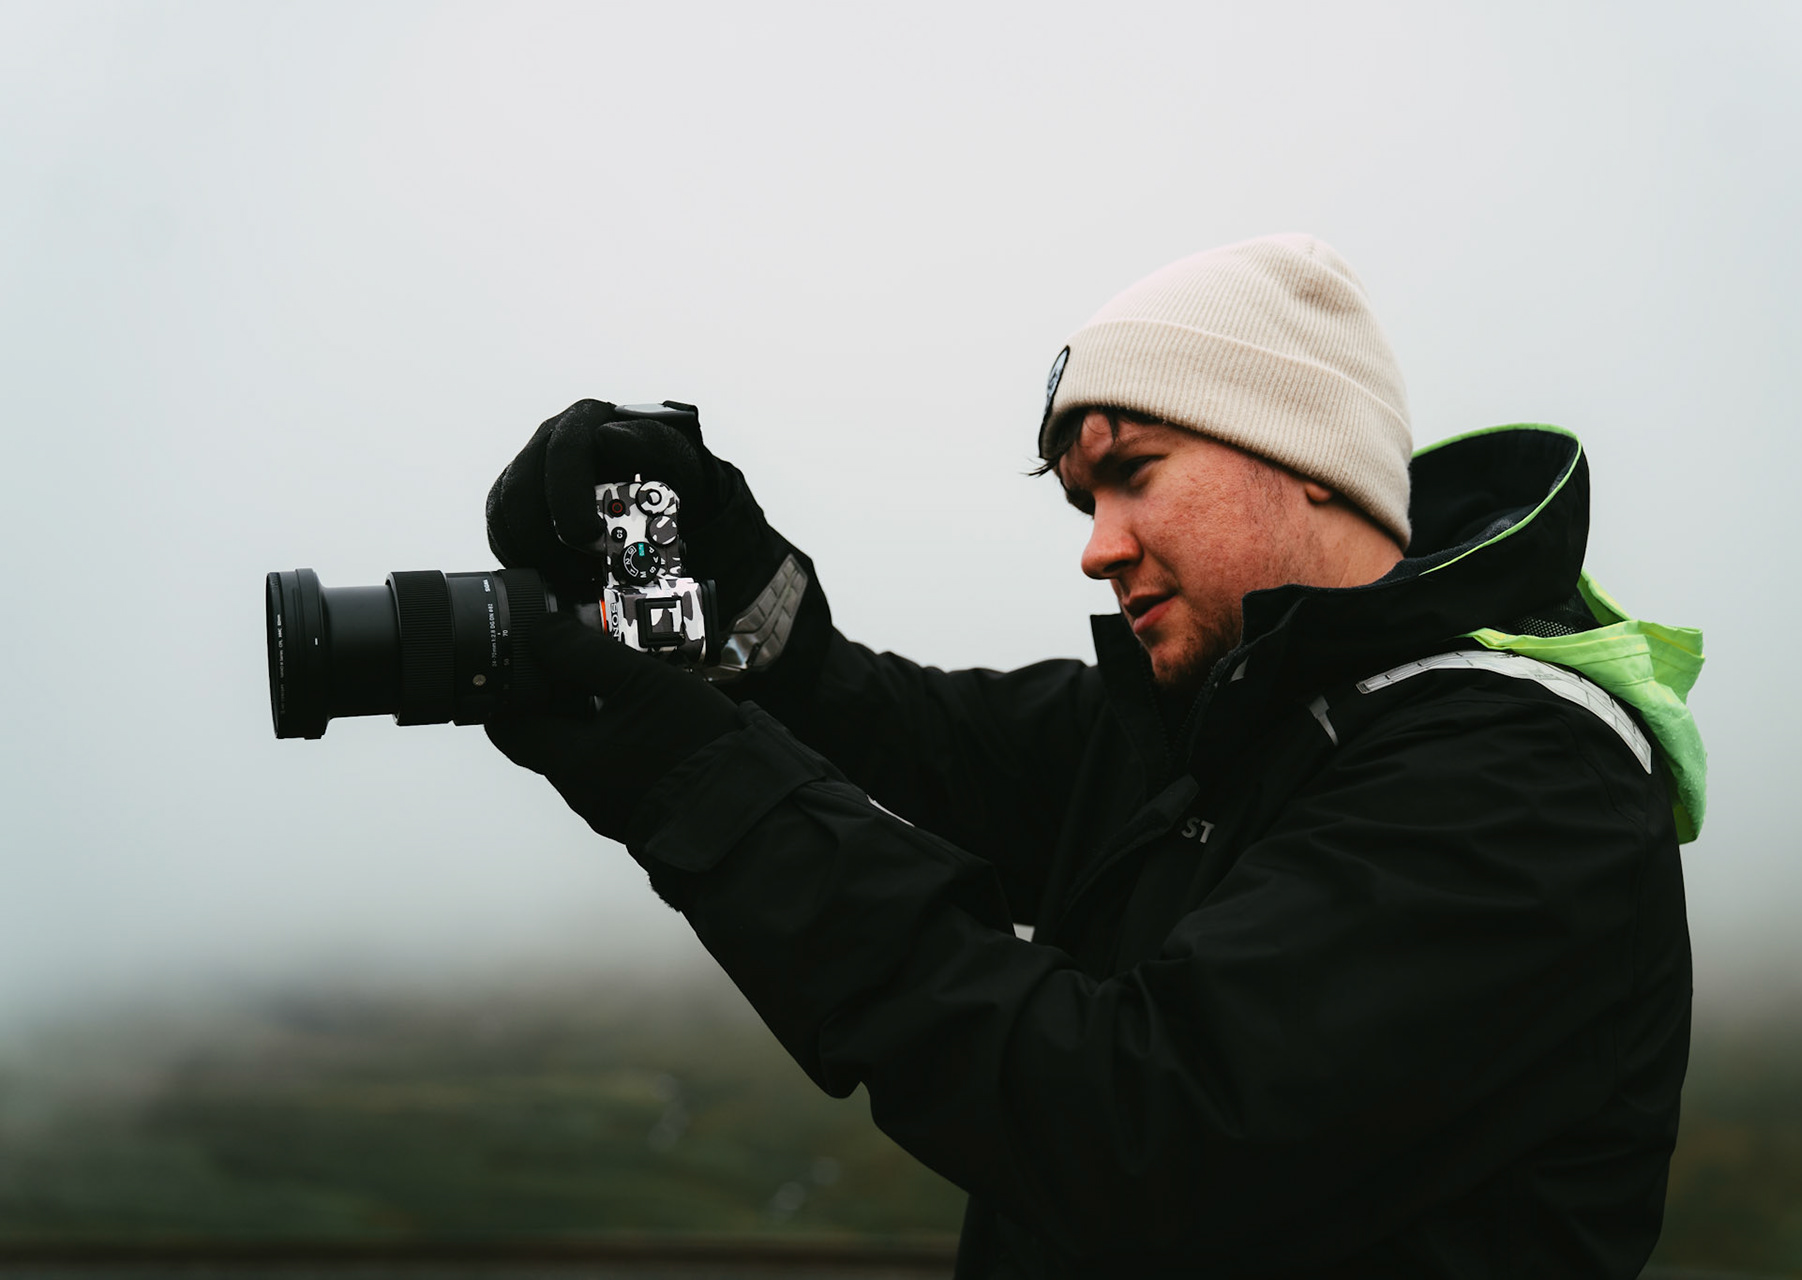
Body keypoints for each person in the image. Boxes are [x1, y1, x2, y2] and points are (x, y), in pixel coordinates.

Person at [483, 234, 1707, 1278]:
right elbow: (888, 723)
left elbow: (1145, 1129)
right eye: (1084, 501)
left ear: (1307, 457)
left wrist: (689, 776)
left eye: (1133, 475)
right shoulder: (1215, 724)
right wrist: (730, 578)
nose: (1097, 547)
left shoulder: (1524, 781)